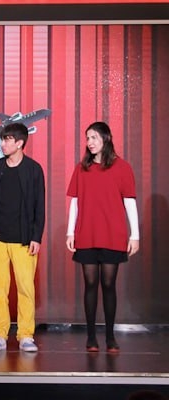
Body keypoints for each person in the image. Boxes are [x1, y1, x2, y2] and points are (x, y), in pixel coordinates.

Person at [66, 121, 139, 353]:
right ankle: (91, 336)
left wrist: (135, 235)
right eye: (87, 138)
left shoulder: (122, 167)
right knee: (90, 284)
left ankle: (109, 336)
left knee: (108, 284)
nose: (90, 142)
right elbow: (75, 202)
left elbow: (129, 201)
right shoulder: (82, 168)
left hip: (112, 234)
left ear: (106, 138)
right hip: (86, 233)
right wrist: (70, 231)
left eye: (94, 137)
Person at [0, 122, 45, 352]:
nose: (3, 144)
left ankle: (26, 335)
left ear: (20, 143)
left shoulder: (34, 170)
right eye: (2, 139)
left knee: (26, 288)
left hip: (23, 239)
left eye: (7, 140)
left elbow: (39, 206)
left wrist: (36, 236)